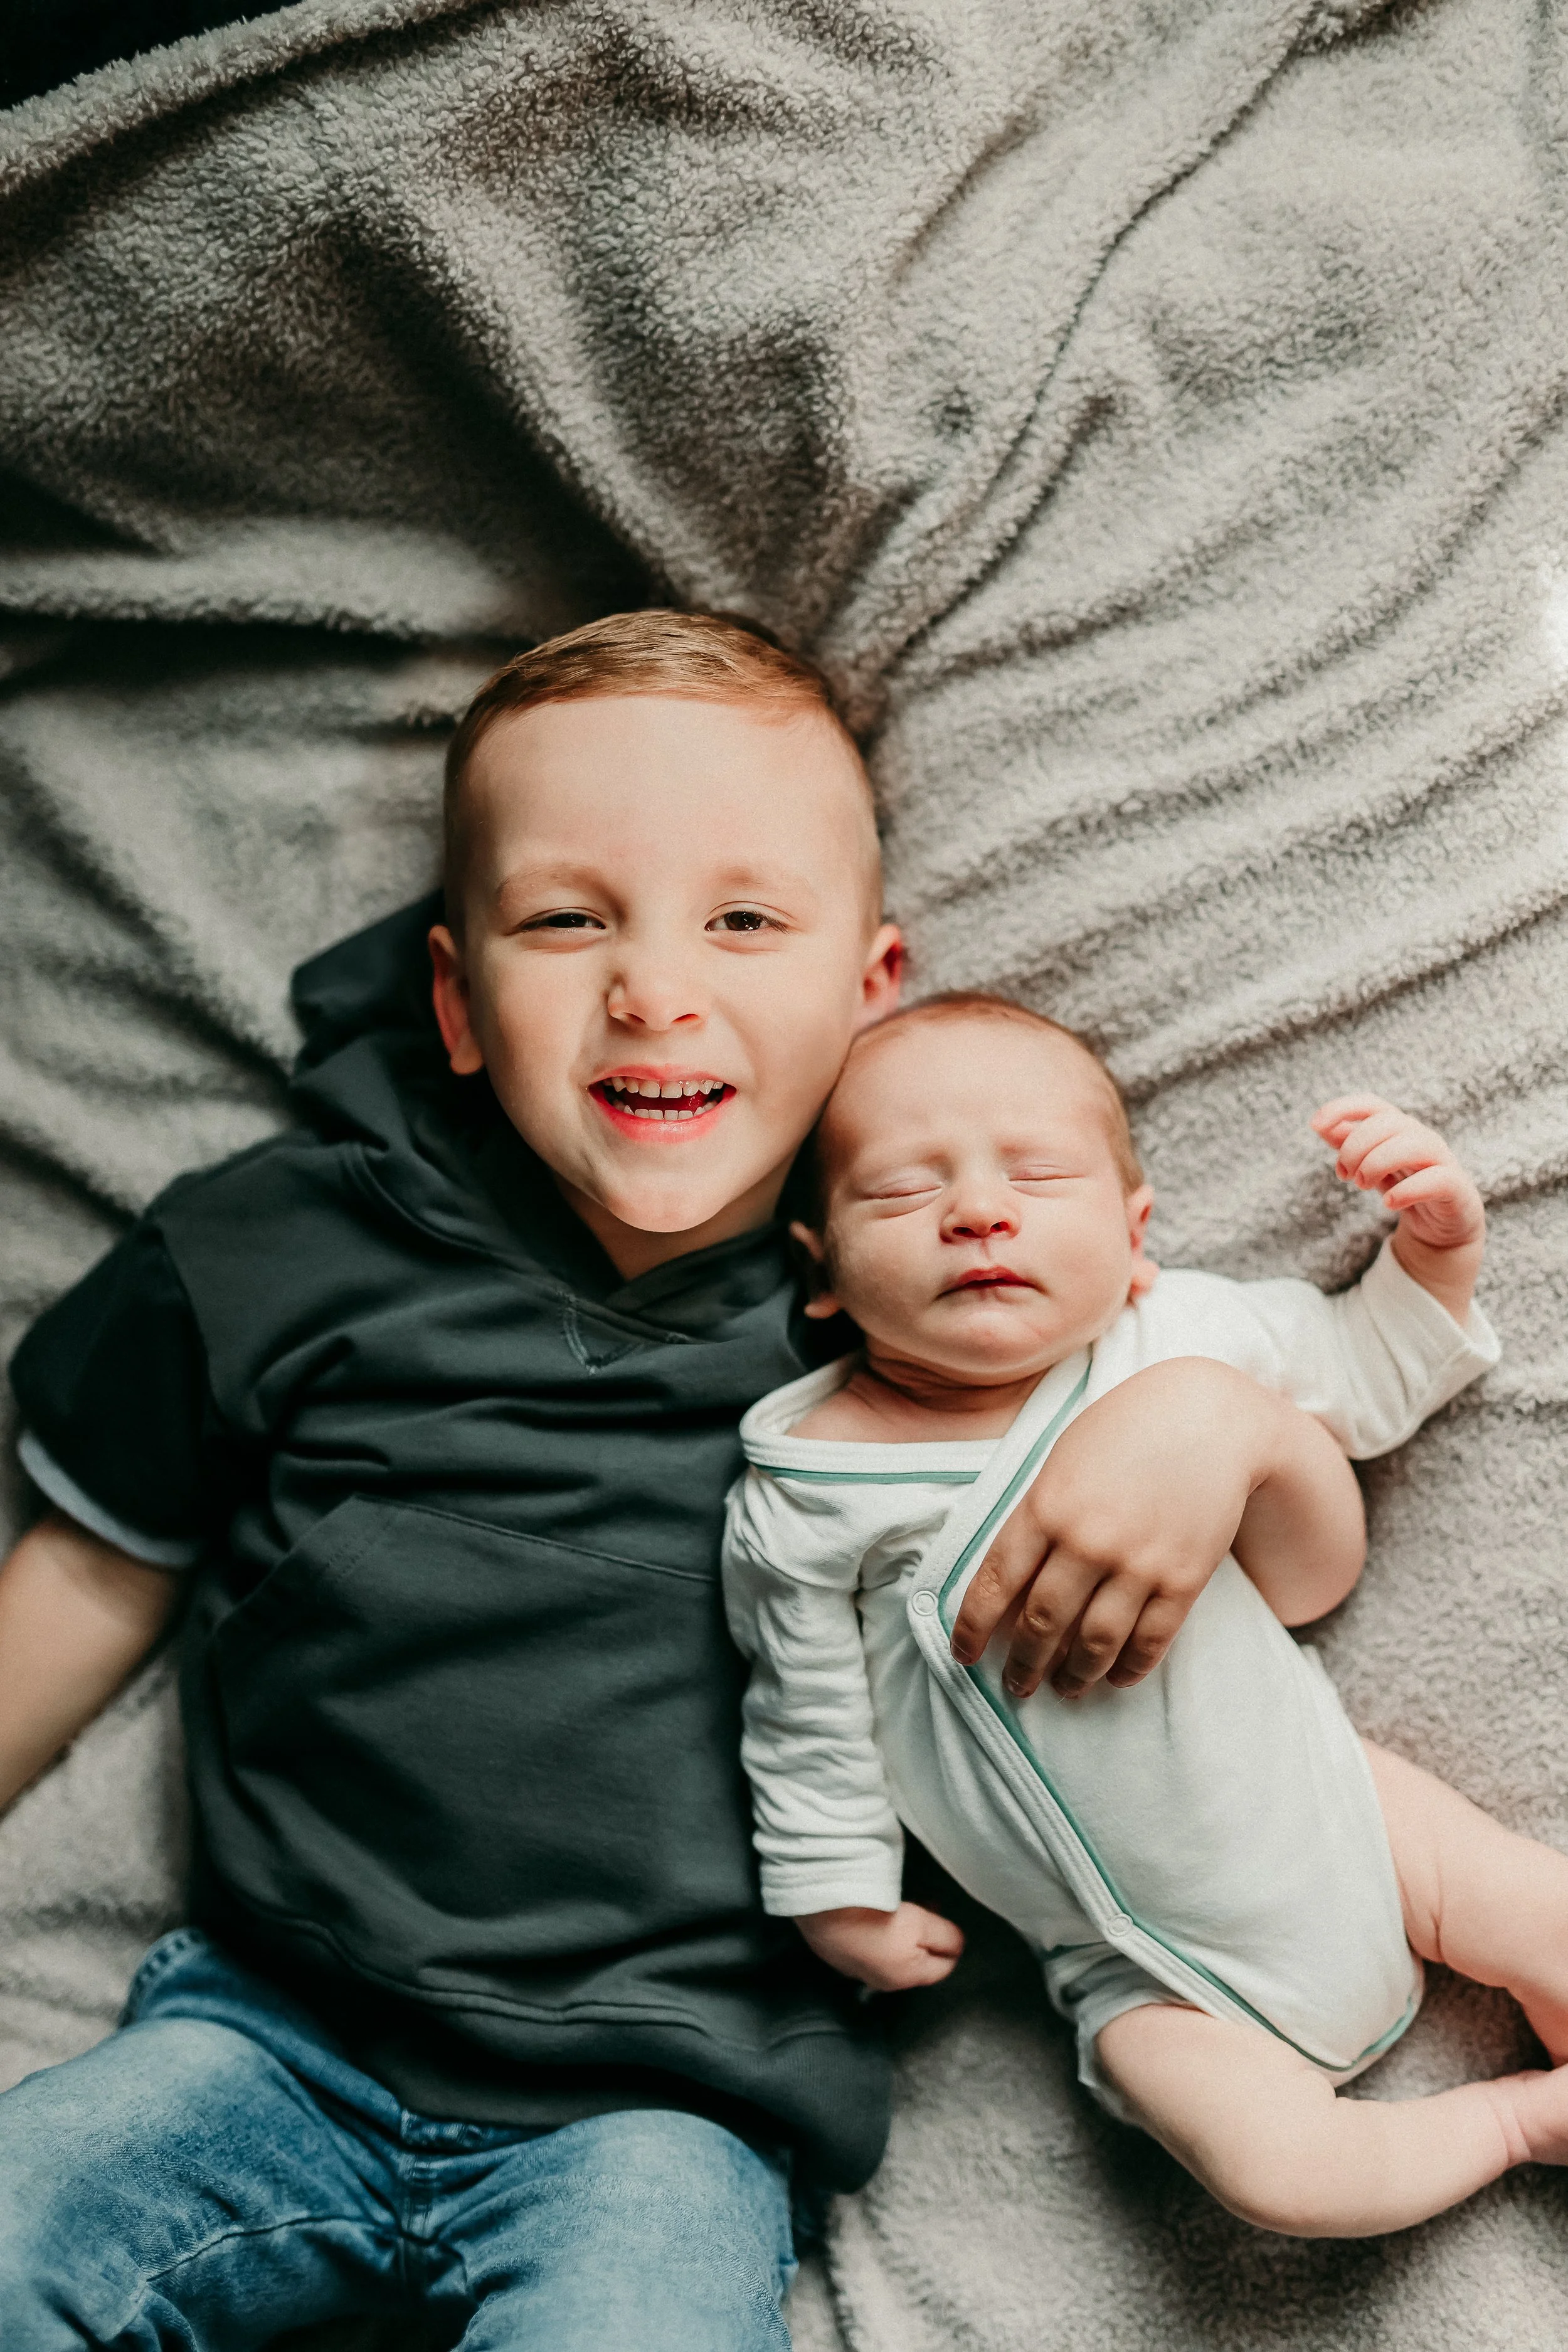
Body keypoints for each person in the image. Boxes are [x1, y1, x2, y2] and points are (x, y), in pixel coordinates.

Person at [0, 612, 1356, 2345]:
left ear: (870, 994)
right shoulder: (266, 1245)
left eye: (741, 919)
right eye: (567, 918)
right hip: (268, 2030)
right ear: (456, 999)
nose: (654, 986)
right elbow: (98, 1562)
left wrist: (1215, 1421)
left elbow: (1292, 1568)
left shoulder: (936, 1294)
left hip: (666, 2105)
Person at [723, 990, 1568, 2240]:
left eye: (1036, 1175)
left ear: (1132, 1239)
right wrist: (830, 1887)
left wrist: (1433, 1251)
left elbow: (1362, 1374)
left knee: (1540, 1914)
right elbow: (803, 1711)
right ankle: (1516, 2125)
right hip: (1131, 1971)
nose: (976, 1211)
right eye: (903, 1195)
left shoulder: (1173, 1335)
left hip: (1336, 1801)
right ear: (823, 1274)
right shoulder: (805, 1491)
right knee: (1285, 2178)